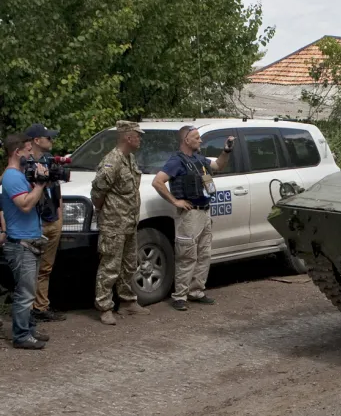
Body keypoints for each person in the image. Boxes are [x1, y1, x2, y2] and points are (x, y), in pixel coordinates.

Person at [151, 125, 235, 311]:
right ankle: (180, 296)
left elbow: (219, 165)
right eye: (196, 137)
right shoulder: (176, 161)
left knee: (204, 254)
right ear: (186, 140)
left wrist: (226, 150)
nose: (200, 140)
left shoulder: (200, 159)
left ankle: (196, 291)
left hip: (204, 211)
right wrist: (175, 201)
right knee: (187, 256)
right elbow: (157, 182)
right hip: (189, 215)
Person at [90, 120, 151, 325]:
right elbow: (97, 191)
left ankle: (127, 302)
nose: (140, 139)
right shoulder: (112, 161)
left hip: (129, 222)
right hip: (114, 224)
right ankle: (105, 306)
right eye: (138, 135)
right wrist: (103, 211)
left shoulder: (129, 159)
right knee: (110, 266)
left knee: (129, 264)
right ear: (128, 137)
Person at [1, 133, 50, 349]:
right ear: (17, 152)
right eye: (28, 150)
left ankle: (29, 329)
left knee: (28, 290)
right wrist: (39, 186)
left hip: (30, 240)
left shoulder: (21, 175)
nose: (31, 154)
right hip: (20, 243)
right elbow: (25, 205)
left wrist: (41, 181)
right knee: (25, 292)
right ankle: (21, 336)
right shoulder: (11, 177)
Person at [25, 124, 67, 322]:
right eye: (48, 138)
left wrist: (60, 212)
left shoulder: (49, 161)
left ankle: (41, 307)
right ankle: (27, 309)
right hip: (35, 221)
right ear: (36, 140)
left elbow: (56, 187)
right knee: (30, 267)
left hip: (53, 219)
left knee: (46, 268)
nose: (51, 141)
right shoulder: (24, 164)